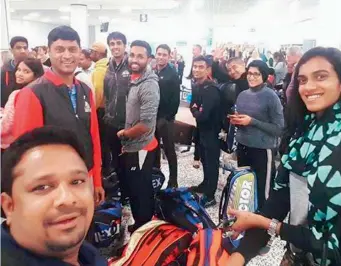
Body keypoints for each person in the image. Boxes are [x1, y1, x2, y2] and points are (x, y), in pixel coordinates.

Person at [227, 47, 341, 266]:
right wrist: (240, 254)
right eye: (303, 80)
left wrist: (270, 225)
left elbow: (334, 247)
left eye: (321, 77)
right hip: (298, 255)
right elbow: (281, 198)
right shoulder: (305, 133)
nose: (309, 87)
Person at [11, 25, 105, 205]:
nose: (67, 56)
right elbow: (24, 154)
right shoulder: (33, 93)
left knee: (86, 230)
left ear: (80, 52)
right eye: (59, 50)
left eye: (72, 49)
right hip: (52, 188)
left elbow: (93, 137)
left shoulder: (85, 90)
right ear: (49, 53)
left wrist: (97, 181)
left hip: (85, 177)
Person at [1, 126, 107, 266]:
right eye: (42, 187)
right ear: (9, 206)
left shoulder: (87, 255)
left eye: (77, 181)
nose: (67, 199)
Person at [116, 40, 160, 233]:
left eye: (140, 56)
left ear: (149, 59)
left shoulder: (148, 85)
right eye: (132, 55)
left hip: (141, 147)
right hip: (133, 146)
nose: (134, 59)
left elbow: (146, 125)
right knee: (138, 187)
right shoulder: (135, 79)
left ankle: (144, 227)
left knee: (139, 190)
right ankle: (146, 222)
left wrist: (125, 134)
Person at [230, 60, 284, 209]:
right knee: (245, 187)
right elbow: (242, 119)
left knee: (263, 191)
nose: (251, 77)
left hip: (262, 149)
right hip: (243, 146)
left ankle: (263, 225)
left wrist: (252, 121)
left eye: (256, 74)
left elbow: (279, 129)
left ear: (264, 76)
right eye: (249, 73)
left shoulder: (271, 96)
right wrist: (236, 121)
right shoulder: (242, 95)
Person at [190, 55, 221, 208]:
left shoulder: (211, 89)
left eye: (200, 67)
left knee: (211, 163)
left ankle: (210, 195)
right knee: (204, 160)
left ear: (208, 69)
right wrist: (196, 109)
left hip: (212, 132)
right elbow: (192, 106)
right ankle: (205, 184)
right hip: (201, 131)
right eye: (195, 66)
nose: (196, 69)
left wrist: (196, 109)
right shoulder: (197, 86)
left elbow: (203, 115)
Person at [103, 32, 129, 182]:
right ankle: (119, 190)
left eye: (118, 43)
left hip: (127, 122)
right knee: (115, 159)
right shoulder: (109, 67)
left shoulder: (131, 66)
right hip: (111, 121)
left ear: (124, 45)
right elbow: (107, 94)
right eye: (112, 44)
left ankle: (128, 192)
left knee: (128, 159)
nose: (115, 47)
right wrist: (107, 113)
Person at [1, 58, 44, 149]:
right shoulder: (42, 92)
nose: (19, 74)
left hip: (13, 145)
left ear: (35, 75)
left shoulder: (17, 93)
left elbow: (6, 125)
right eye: (18, 70)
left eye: (26, 72)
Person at [154, 44, 180, 188]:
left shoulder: (172, 73)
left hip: (166, 119)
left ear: (169, 56)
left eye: (164, 54)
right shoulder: (153, 71)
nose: (161, 57)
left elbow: (175, 100)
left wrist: (168, 117)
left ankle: (173, 180)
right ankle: (156, 176)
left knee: (169, 149)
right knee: (154, 149)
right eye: (159, 54)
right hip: (154, 117)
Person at [1, 36, 29, 107]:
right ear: (11, 50)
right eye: (18, 48)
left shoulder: (36, 68)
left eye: (25, 48)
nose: (23, 51)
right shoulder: (4, 71)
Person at [90, 42, 109, 110]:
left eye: (91, 51)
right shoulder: (107, 66)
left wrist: (93, 109)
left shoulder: (100, 69)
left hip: (100, 108)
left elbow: (98, 91)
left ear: (97, 53)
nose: (90, 54)